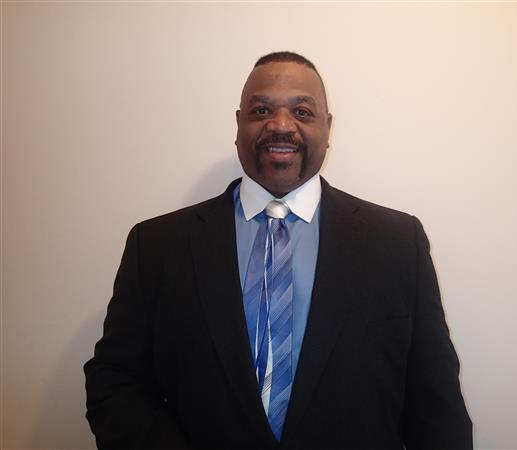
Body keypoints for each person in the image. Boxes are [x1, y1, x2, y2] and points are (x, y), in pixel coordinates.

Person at [84, 51, 472, 450]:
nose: (281, 125)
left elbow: (436, 406)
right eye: (261, 110)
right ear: (239, 125)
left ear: (328, 127)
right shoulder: (157, 247)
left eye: (302, 112)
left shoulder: (397, 243)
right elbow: (113, 383)